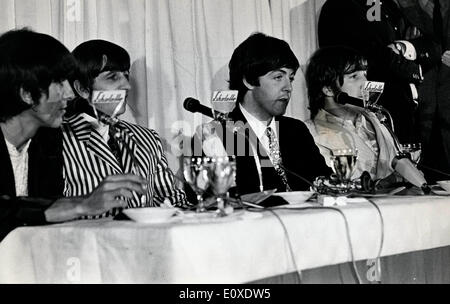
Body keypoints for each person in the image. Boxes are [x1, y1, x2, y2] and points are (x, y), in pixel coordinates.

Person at [0, 29, 147, 241]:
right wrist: (82, 204)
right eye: (59, 83)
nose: (70, 94)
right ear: (26, 94)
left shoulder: (48, 141)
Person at [193, 32, 331, 195]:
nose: (288, 87)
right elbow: (204, 202)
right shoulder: (217, 136)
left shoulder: (296, 130)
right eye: (278, 77)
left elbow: (325, 182)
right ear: (249, 81)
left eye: (291, 78)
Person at [63, 39, 188, 218]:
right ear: (82, 89)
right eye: (113, 77)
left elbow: (173, 201)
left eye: (126, 75)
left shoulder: (147, 138)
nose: (127, 86)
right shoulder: (57, 139)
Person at [318, 0, 441, 144]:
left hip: (406, 117)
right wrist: (409, 67)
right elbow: (373, 58)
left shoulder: (383, 6)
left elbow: (434, 46)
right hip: (368, 122)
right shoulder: (339, 6)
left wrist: (403, 47)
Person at [304, 46, 427, 188]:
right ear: (328, 89)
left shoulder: (377, 120)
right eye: (354, 76)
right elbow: (331, 185)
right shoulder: (311, 133)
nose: (366, 84)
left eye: (365, 74)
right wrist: (385, 183)